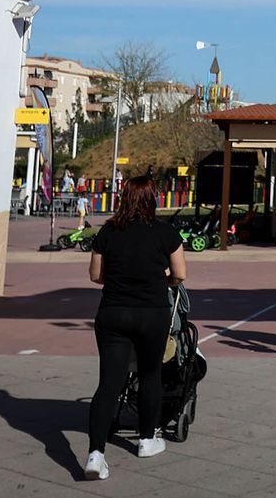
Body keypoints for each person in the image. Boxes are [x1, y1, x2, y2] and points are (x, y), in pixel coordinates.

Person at [84, 176, 186, 481]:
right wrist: (162, 281)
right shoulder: (166, 232)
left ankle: (95, 454)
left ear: (123, 197)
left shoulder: (108, 231)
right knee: (150, 374)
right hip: (151, 314)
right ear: (152, 199)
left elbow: (95, 276)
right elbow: (180, 274)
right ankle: (146, 439)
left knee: (109, 384)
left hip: (113, 313)